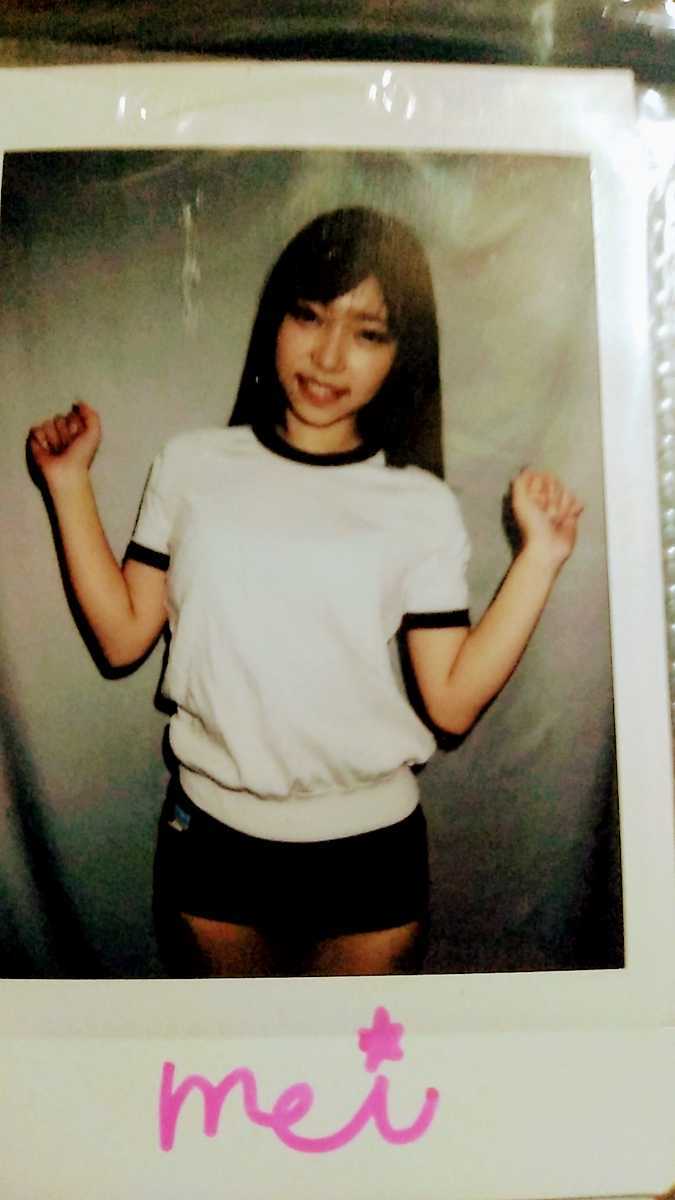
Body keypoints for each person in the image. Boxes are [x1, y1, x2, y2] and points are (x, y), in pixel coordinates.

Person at [28, 206, 582, 979]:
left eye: (367, 332)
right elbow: (122, 639)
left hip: (370, 855)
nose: (327, 355)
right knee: (227, 1054)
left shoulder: (417, 503)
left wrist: (540, 558)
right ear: (276, 320)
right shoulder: (192, 465)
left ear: (401, 352)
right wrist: (68, 484)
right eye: (309, 315)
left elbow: (452, 703)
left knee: (355, 1061)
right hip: (213, 839)